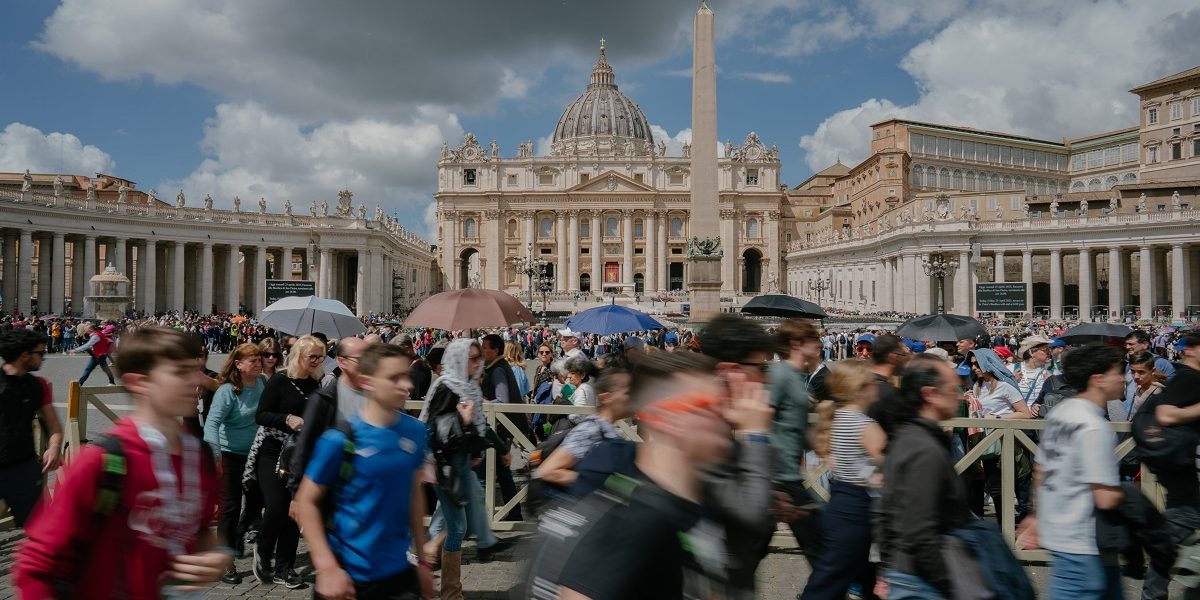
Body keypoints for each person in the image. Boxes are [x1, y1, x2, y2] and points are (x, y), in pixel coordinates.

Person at [14, 327, 230, 597]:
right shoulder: (101, 460)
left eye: (196, 369)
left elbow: (198, 530)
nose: (196, 379)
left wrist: (214, 553)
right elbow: (37, 565)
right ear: (140, 383)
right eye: (180, 372)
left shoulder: (200, 457)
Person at [523, 350, 737, 599]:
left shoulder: (702, 500)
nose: (727, 415)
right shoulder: (636, 517)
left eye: (724, 403)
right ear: (665, 417)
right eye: (709, 405)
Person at [294, 344, 436, 600]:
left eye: (406, 376)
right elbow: (306, 501)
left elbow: (414, 495)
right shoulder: (340, 438)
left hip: (399, 574)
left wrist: (423, 560)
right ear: (367, 382)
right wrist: (326, 567)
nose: (406, 385)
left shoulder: (415, 431)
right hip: (348, 576)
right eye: (394, 378)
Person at [1034, 343, 1125, 600]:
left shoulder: (1062, 412)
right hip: (1085, 543)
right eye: (1117, 372)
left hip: (1061, 535)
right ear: (1098, 379)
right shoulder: (1094, 426)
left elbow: (1040, 469)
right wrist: (1135, 498)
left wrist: (1035, 514)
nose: (1123, 378)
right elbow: (1105, 497)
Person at [421, 339, 510, 600]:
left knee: (465, 521)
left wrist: (479, 450)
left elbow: (476, 428)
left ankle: (438, 558)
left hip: (461, 462)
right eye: (471, 358)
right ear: (458, 359)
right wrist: (464, 419)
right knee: (459, 526)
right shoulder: (446, 385)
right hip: (443, 464)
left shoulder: (469, 386)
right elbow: (436, 430)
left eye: (478, 357)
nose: (477, 362)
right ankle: (449, 589)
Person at [877, 354, 972, 599]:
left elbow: (884, 511)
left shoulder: (907, 437)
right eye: (953, 389)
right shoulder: (925, 449)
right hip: (922, 581)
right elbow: (919, 531)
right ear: (930, 394)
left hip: (905, 573)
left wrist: (887, 567)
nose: (959, 396)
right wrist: (952, 585)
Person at [799, 360, 885, 600]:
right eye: (872, 382)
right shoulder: (866, 426)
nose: (877, 386)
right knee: (829, 582)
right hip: (859, 506)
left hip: (841, 500)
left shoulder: (835, 419)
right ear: (860, 390)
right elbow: (890, 469)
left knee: (857, 577)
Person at [247, 335, 324, 588]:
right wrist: (286, 419)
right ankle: (264, 549)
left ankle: (284, 568)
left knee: (294, 510)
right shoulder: (279, 380)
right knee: (277, 506)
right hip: (273, 451)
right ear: (299, 355)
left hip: (300, 453)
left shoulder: (316, 383)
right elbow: (261, 415)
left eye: (320, 357)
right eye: (312, 356)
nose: (317, 361)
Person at [1142, 333, 1200, 600]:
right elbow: (1166, 414)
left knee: (1176, 532)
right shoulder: (1188, 377)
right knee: (1175, 532)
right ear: (1192, 350)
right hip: (1187, 470)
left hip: (1184, 469)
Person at [203, 342, 266, 583]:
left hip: (255, 453)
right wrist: (215, 456)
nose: (258, 364)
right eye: (253, 360)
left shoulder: (262, 383)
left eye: (259, 359)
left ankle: (239, 533)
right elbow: (211, 424)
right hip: (229, 454)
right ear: (238, 364)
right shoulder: (227, 391)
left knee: (258, 501)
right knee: (229, 508)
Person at [767, 319, 825, 568]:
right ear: (796, 344)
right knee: (819, 550)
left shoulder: (795, 376)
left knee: (752, 549)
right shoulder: (780, 375)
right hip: (780, 478)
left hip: (786, 475)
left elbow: (793, 424)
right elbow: (762, 420)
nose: (819, 345)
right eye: (814, 340)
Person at [286, 336, 369, 496]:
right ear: (342, 362)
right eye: (361, 359)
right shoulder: (324, 398)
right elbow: (304, 447)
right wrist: (297, 492)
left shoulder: (376, 395)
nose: (368, 364)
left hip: (363, 487)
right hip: (329, 488)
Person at [0, 329, 63, 526]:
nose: (43, 358)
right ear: (25, 355)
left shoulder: (38, 385)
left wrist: (54, 447)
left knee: (40, 527)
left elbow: (54, 426)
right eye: (40, 353)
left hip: (23, 468)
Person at [534, 366, 631, 488]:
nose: (633, 398)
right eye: (627, 392)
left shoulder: (606, 429)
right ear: (606, 398)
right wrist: (601, 484)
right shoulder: (591, 429)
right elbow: (547, 471)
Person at [966, 348, 1033, 523]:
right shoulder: (977, 386)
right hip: (988, 441)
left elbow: (1025, 413)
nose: (974, 367)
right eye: (972, 364)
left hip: (1008, 440)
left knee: (1017, 484)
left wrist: (998, 418)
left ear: (987, 363)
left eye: (977, 363)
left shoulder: (1005, 386)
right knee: (995, 487)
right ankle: (1004, 528)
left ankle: (1019, 527)